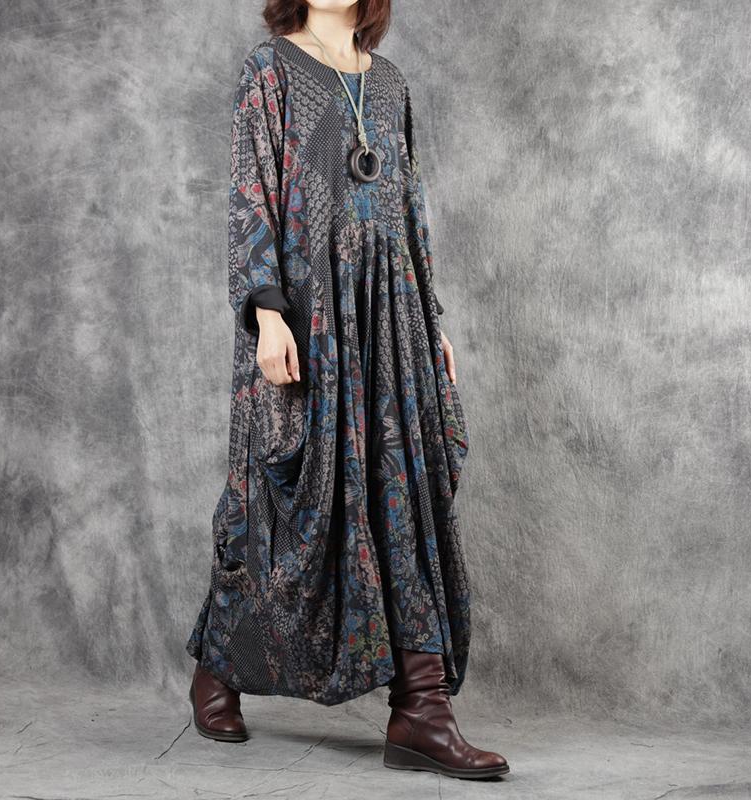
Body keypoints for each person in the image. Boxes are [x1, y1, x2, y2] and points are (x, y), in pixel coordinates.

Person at [185, 0, 510, 780]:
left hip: (390, 316)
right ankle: (220, 665)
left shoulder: (389, 83)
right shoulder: (269, 70)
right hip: (309, 314)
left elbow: (409, 206)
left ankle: (421, 708)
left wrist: (430, 319)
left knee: (404, 494)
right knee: (284, 506)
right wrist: (267, 311)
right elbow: (252, 193)